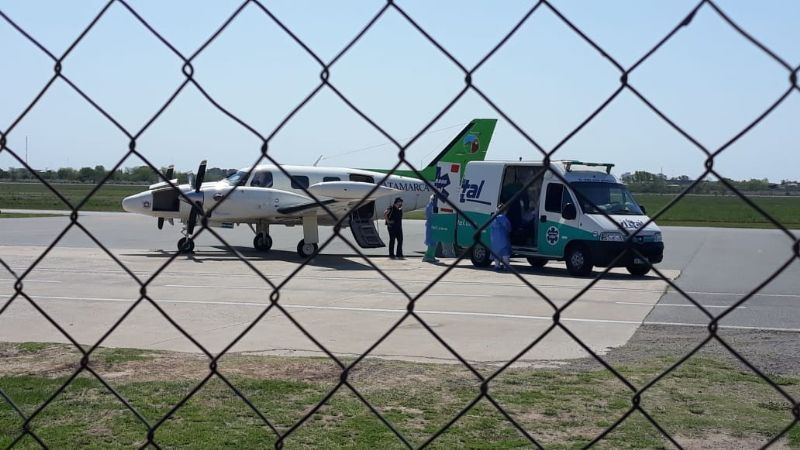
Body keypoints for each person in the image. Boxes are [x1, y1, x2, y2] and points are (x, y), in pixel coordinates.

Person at [489, 205, 512, 271]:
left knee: (496, 254)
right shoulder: (503, 218)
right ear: (505, 210)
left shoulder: (493, 217)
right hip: (503, 239)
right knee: (505, 254)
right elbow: (508, 227)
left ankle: (497, 266)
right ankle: (506, 267)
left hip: (494, 239)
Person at [422, 195, 439, 263]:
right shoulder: (430, 206)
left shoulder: (433, 206)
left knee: (434, 241)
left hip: (434, 225)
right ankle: (427, 256)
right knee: (432, 242)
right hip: (431, 225)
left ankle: (431, 256)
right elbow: (432, 215)